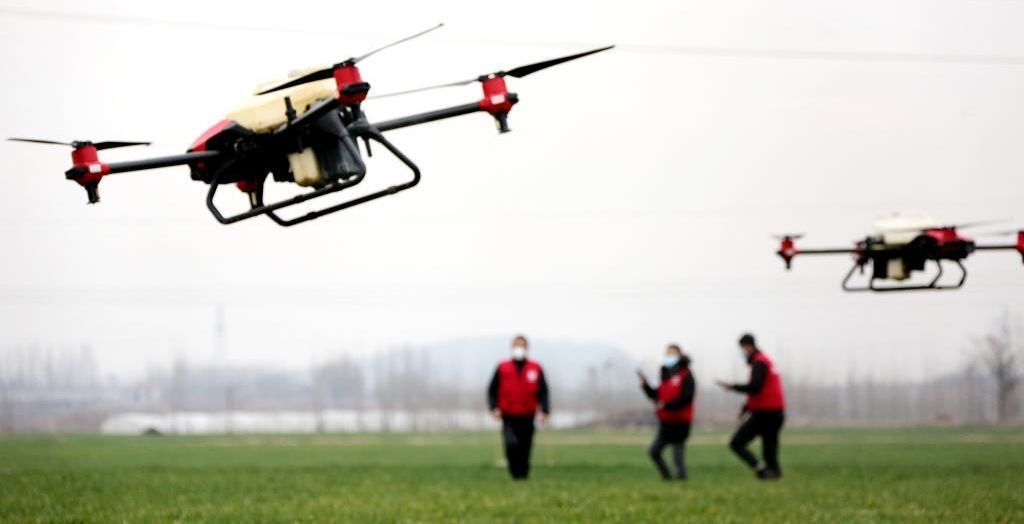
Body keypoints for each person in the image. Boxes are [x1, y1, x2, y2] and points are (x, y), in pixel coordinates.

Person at [716, 333, 786, 480]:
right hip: (772, 411)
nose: (741, 352)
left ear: (748, 346)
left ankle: (764, 470)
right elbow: (758, 391)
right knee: (769, 446)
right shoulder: (764, 361)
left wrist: (733, 387)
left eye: (741, 348)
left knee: (737, 443)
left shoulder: (759, 362)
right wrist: (745, 409)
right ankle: (770, 472)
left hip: (766, 412)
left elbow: (755, 387)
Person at [487, 335, 550, 480]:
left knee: (525, 445)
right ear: (512, 347)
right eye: (517, 345)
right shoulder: (503, 367)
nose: (519, 348)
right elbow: (492, 389)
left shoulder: (535, 367)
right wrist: (494, 407)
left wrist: (544, 410)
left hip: (528, 414)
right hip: (508, 415)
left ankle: (523, 474)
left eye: (522, 346)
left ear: (527, 348)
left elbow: (543, 391)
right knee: (511, 444)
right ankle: (514, 472)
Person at [638, 344, 695, 480]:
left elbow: (687, 398)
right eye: (667, 353)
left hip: (680, 421)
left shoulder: (686, 374)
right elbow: (656, 396)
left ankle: (681, 480)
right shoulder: (665, 374)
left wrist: (667, 405)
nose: (670, 356)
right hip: (665, 421)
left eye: (673, 353)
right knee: (654, 451)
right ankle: (667, 477)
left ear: (680, 355)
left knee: (677, 456)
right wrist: (646, 387)